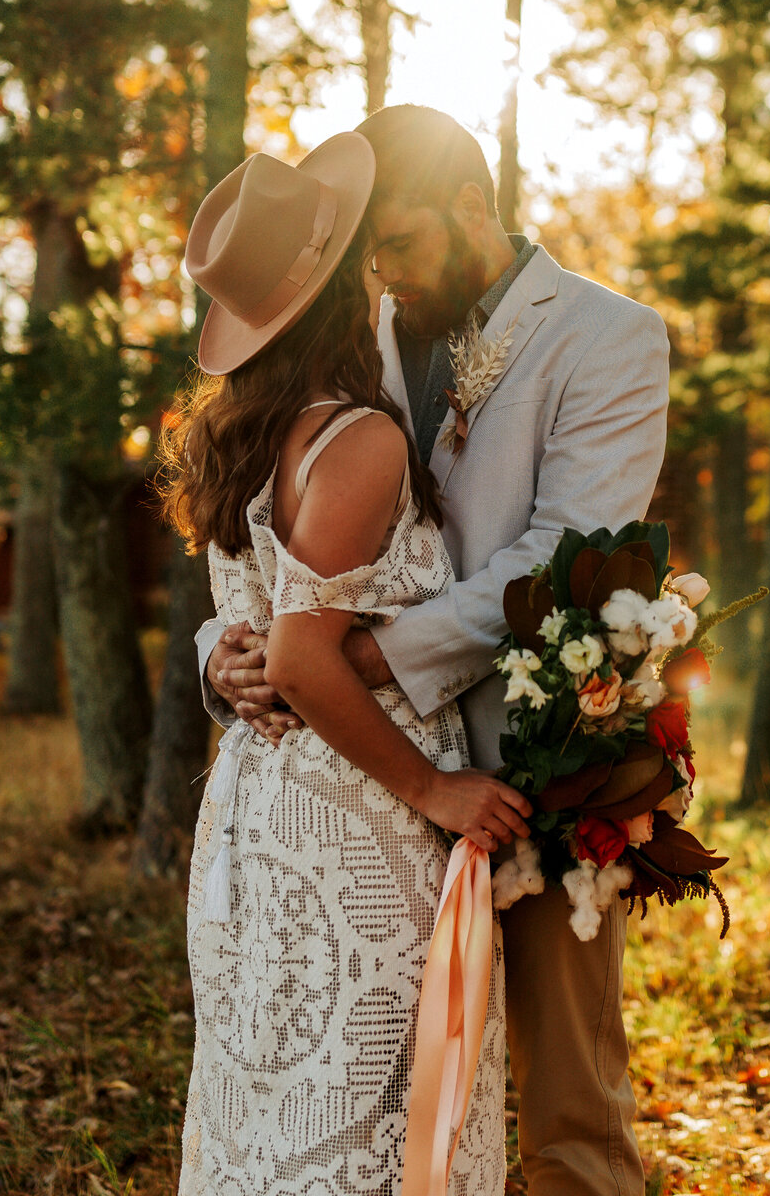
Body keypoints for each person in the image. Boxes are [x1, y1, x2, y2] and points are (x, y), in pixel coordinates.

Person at [202, 106, 671, 1196]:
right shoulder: (351, 337)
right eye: (368, 255)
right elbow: (283, 543)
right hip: (367, 800)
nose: (384, 275)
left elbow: (570, 550)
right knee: (387, 1101)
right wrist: (226, 656)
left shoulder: (609, 335)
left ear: (472, 207)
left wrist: (367, 660)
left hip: (537, 760)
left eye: (399, 244)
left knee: (569, 1109)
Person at [164, 132, 530, 1196]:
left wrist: (222, 666)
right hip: (352, 826)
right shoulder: (357, 442)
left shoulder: (239, 439)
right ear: (342, 292)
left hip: (249, 814)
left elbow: (250, 632)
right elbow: (302, 656)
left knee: (279, 1110)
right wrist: (437, 787)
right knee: (373, 1111)